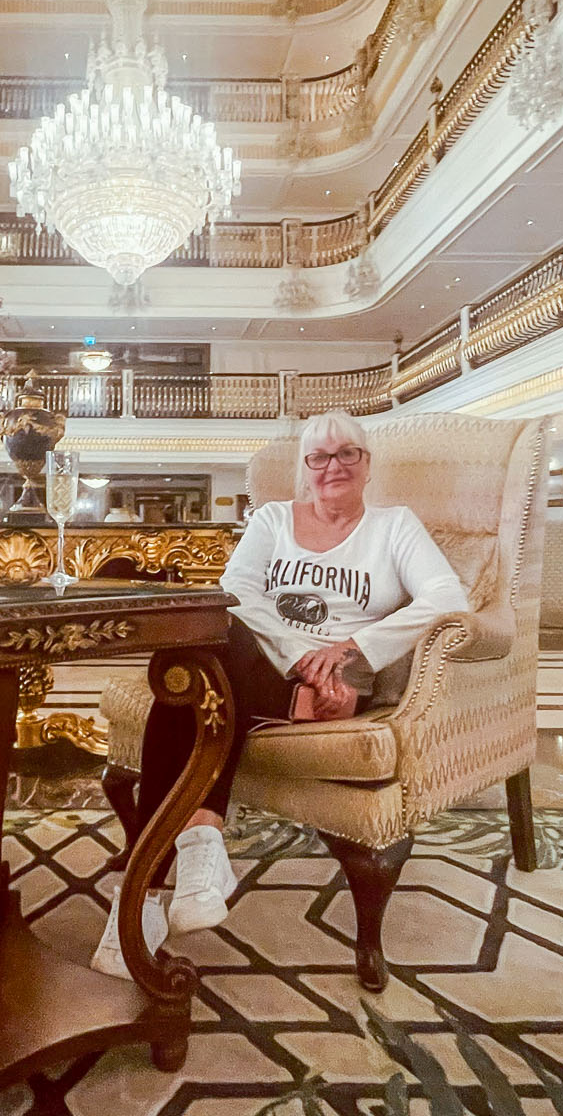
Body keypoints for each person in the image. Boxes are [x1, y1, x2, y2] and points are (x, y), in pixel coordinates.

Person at [93, 409, 470, 977]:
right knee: (203, 643)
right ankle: (200, 845)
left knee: (189, 686)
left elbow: (446, 598)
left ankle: (144, 895)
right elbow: (237, 593)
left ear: (367, 464)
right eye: (319, 456)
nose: (333, 466)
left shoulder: (394, 526)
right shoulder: (273, 519)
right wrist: (299, 659)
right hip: (268, 671)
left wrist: (352, 648)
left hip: (343, 679)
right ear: (304, 468)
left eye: (347, 453)